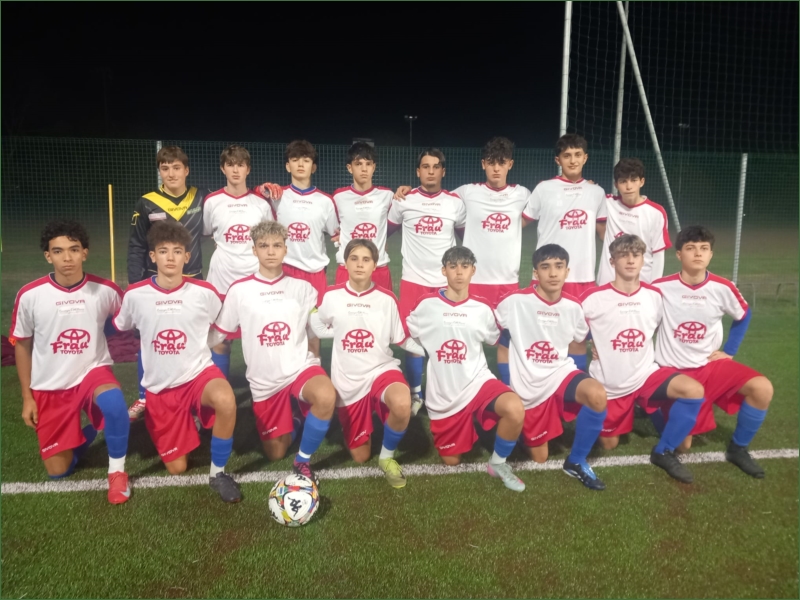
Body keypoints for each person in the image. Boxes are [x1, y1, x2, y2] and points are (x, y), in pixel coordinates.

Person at [114, 221, 241, 503]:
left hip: (198, 375)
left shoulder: (204, 292)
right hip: (161, 388)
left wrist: (204, 344)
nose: (170, 257)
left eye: (177, 251)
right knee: (177, 468)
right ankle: (187, 421)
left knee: (225, 399)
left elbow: (222, 326)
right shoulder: (135, 295)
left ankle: (218, 473)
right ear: (152, 257)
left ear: (187, 256)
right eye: (163, 251)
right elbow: (122, 325)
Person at [10, 220, 131, 504]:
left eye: (74, 250)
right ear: (47, 256)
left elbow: (132, 317)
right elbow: (22, 345)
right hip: (50, 384)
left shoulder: (106, 290)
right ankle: (82, 437)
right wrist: (27, 397)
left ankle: (117, 474)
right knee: (58, 471)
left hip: (92, 371)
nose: (67, 258)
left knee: (115, 405)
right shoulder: (30, 295)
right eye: (58, 251)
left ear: (84, 253)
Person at [396, 137, 532, 387]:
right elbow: (436, 196)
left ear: (510, 164)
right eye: (491, 162)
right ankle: (454, 386)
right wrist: (406, 189)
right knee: (462, 336)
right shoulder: (466, 193)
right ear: (483, 164)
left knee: (507, 338)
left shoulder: (523, 194)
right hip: (473, 281)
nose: (496, 168)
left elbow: (541, 211)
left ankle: (508, 387)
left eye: (502, 162)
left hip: (507, 280)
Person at [211, 220, 336, 486]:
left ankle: (302, 460)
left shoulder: (303, 288)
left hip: (299, 367)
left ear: (285, 249)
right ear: (254, 250)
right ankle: (295, 419)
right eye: (264, 245)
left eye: (277, 245)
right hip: (264, 380)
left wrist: (316, 362)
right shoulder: (239, 290)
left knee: (326, 395)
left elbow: (312, 331)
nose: (270, 251)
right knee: (275, 452)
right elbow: (219, 335)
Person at [582, 234, 705, 483]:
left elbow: (664, 328)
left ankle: (662, 450)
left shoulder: (655, 296)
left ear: (643, 260)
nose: (630, 260)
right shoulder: (593, 298)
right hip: (611, 383)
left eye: (636, 255)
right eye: (623, 255)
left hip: (646, 374)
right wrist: (590, 343)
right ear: (612, 261)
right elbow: (573, 333)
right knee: (609, 444)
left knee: (693, 395)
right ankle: (645, 409)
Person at [651, 225, 773, 477]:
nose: (698, 253)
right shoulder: (660, 287)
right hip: (674, 371)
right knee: (683, 446)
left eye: (704, 248)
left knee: (762, 388)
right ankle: (656, 409)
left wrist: (730, 350)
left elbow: (743, 314)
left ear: (711, 254)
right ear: (679, 254)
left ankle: (738, 448)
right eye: (691, 248)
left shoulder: (723, 287)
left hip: (710, 365)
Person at [406, 246, 527, 492]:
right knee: (451, 461)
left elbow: (498, 339)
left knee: (514, 408)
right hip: (444, 393)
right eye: (453, 267)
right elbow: (409, 337)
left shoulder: (482, 308)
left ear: (473, 270)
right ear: (444, 271)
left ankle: (498, 463)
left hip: (477, 381)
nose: (459, 272)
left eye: (464, 267)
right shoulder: (426, 305)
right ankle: (462, 424)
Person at [310, 239, 422, 489]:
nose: (360, 264)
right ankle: (362, 423)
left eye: (366, 259)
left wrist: (427, 350)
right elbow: (318, 322)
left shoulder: (387, 299)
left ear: (375, 265)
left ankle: (387, 457)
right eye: (354, 259)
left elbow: (400, 338)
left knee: (402, 402)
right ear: (345, 263)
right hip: (347, 380)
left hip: (381, 369)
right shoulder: (332, 296)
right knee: (360, 456)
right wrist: (327, 329)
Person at [496, 244, 609, 490]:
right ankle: (520, 427)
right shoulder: (515, 302)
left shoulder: (573, 307)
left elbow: (579, 340)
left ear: (567, 271)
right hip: (527, 383)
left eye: (559, 266)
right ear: (535, 273)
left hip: (559, 374)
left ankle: (576, 462)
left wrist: (591, 359)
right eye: (546, 267)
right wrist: (506, 383)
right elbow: (500, 340)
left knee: (597, 395)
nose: (553, 273)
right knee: (540, 457)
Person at [127, 146, 206, 421]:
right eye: (165, 168)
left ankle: (193, 397)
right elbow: (137, 246)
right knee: (150, 341)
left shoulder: (202, 197)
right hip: (156, 284)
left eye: (176, 167)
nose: (171, 174)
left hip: (192, 282)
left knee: (192, 341)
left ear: (186, 170)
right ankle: (144, 395)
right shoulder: (147, 202)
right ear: (159, 171)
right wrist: (134, 286)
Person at [519, 134, 607, 374]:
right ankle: (541, 377)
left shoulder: (596, 192)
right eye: (567, 156)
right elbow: (520, 222)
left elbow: (604, 232)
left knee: (578, 336)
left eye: (578, 155)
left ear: (585, 157)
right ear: (558, 160)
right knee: (542, 331)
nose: (573, 160)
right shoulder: (544, 189)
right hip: (547, 273)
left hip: (582, 275)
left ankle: (576, 381)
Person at [387, 148, 466, 414]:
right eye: (425, 166)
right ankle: (415, 392)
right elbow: (385, 231)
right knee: (414, 340)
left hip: (445, 284)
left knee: (446, 339)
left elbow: (466, 237)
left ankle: (446, 391)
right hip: (413, 282)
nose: (430, 171)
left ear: (443, 171)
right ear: (418, 171)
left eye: (435, 166)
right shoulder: (404, 200)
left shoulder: (455, 203)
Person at [257, 140, 339, 357]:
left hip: (315, 274)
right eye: (295, 160)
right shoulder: (277, 196)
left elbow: (336, 234)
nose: (300, 164)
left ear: (314, 167)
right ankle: (285, 373)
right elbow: (254, 199)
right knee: (286, 328)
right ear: (288, 166)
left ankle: (314, 372)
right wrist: (260, 188)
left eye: (306, 160)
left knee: (313, 331)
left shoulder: (326, 201)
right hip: (286, 272)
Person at [202, 144, 276, 380]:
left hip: (254, 283)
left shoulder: (260, 204)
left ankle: (263, 390)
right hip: (221, 281)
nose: (235, 170)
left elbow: (270, 238)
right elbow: (207, 231)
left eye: (240, 165)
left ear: (248, 169)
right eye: (230, 165)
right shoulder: (212, 201)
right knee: (220, 341)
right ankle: (220, 391)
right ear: (222, 168)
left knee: (259, 340)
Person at [596, 158, 670, 286]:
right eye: (623, 181)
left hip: (642, 285)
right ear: (616, 184)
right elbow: (587, 196)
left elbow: (658, 254)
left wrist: (655, 287)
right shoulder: (607, 203)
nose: (629, 186)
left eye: (634, 180)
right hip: (607, 284)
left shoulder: (656, 212)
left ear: (642, 182)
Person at [332, 142, 394, 291]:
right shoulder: (338, 197)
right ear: (349, 168)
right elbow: (332, 226)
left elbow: (397, 220)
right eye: (358, 164)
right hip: (347, 268)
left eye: (368, 164)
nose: (364, 169)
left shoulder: (387, 195)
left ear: (374, 167)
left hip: (378, 268)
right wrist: (336, 236)